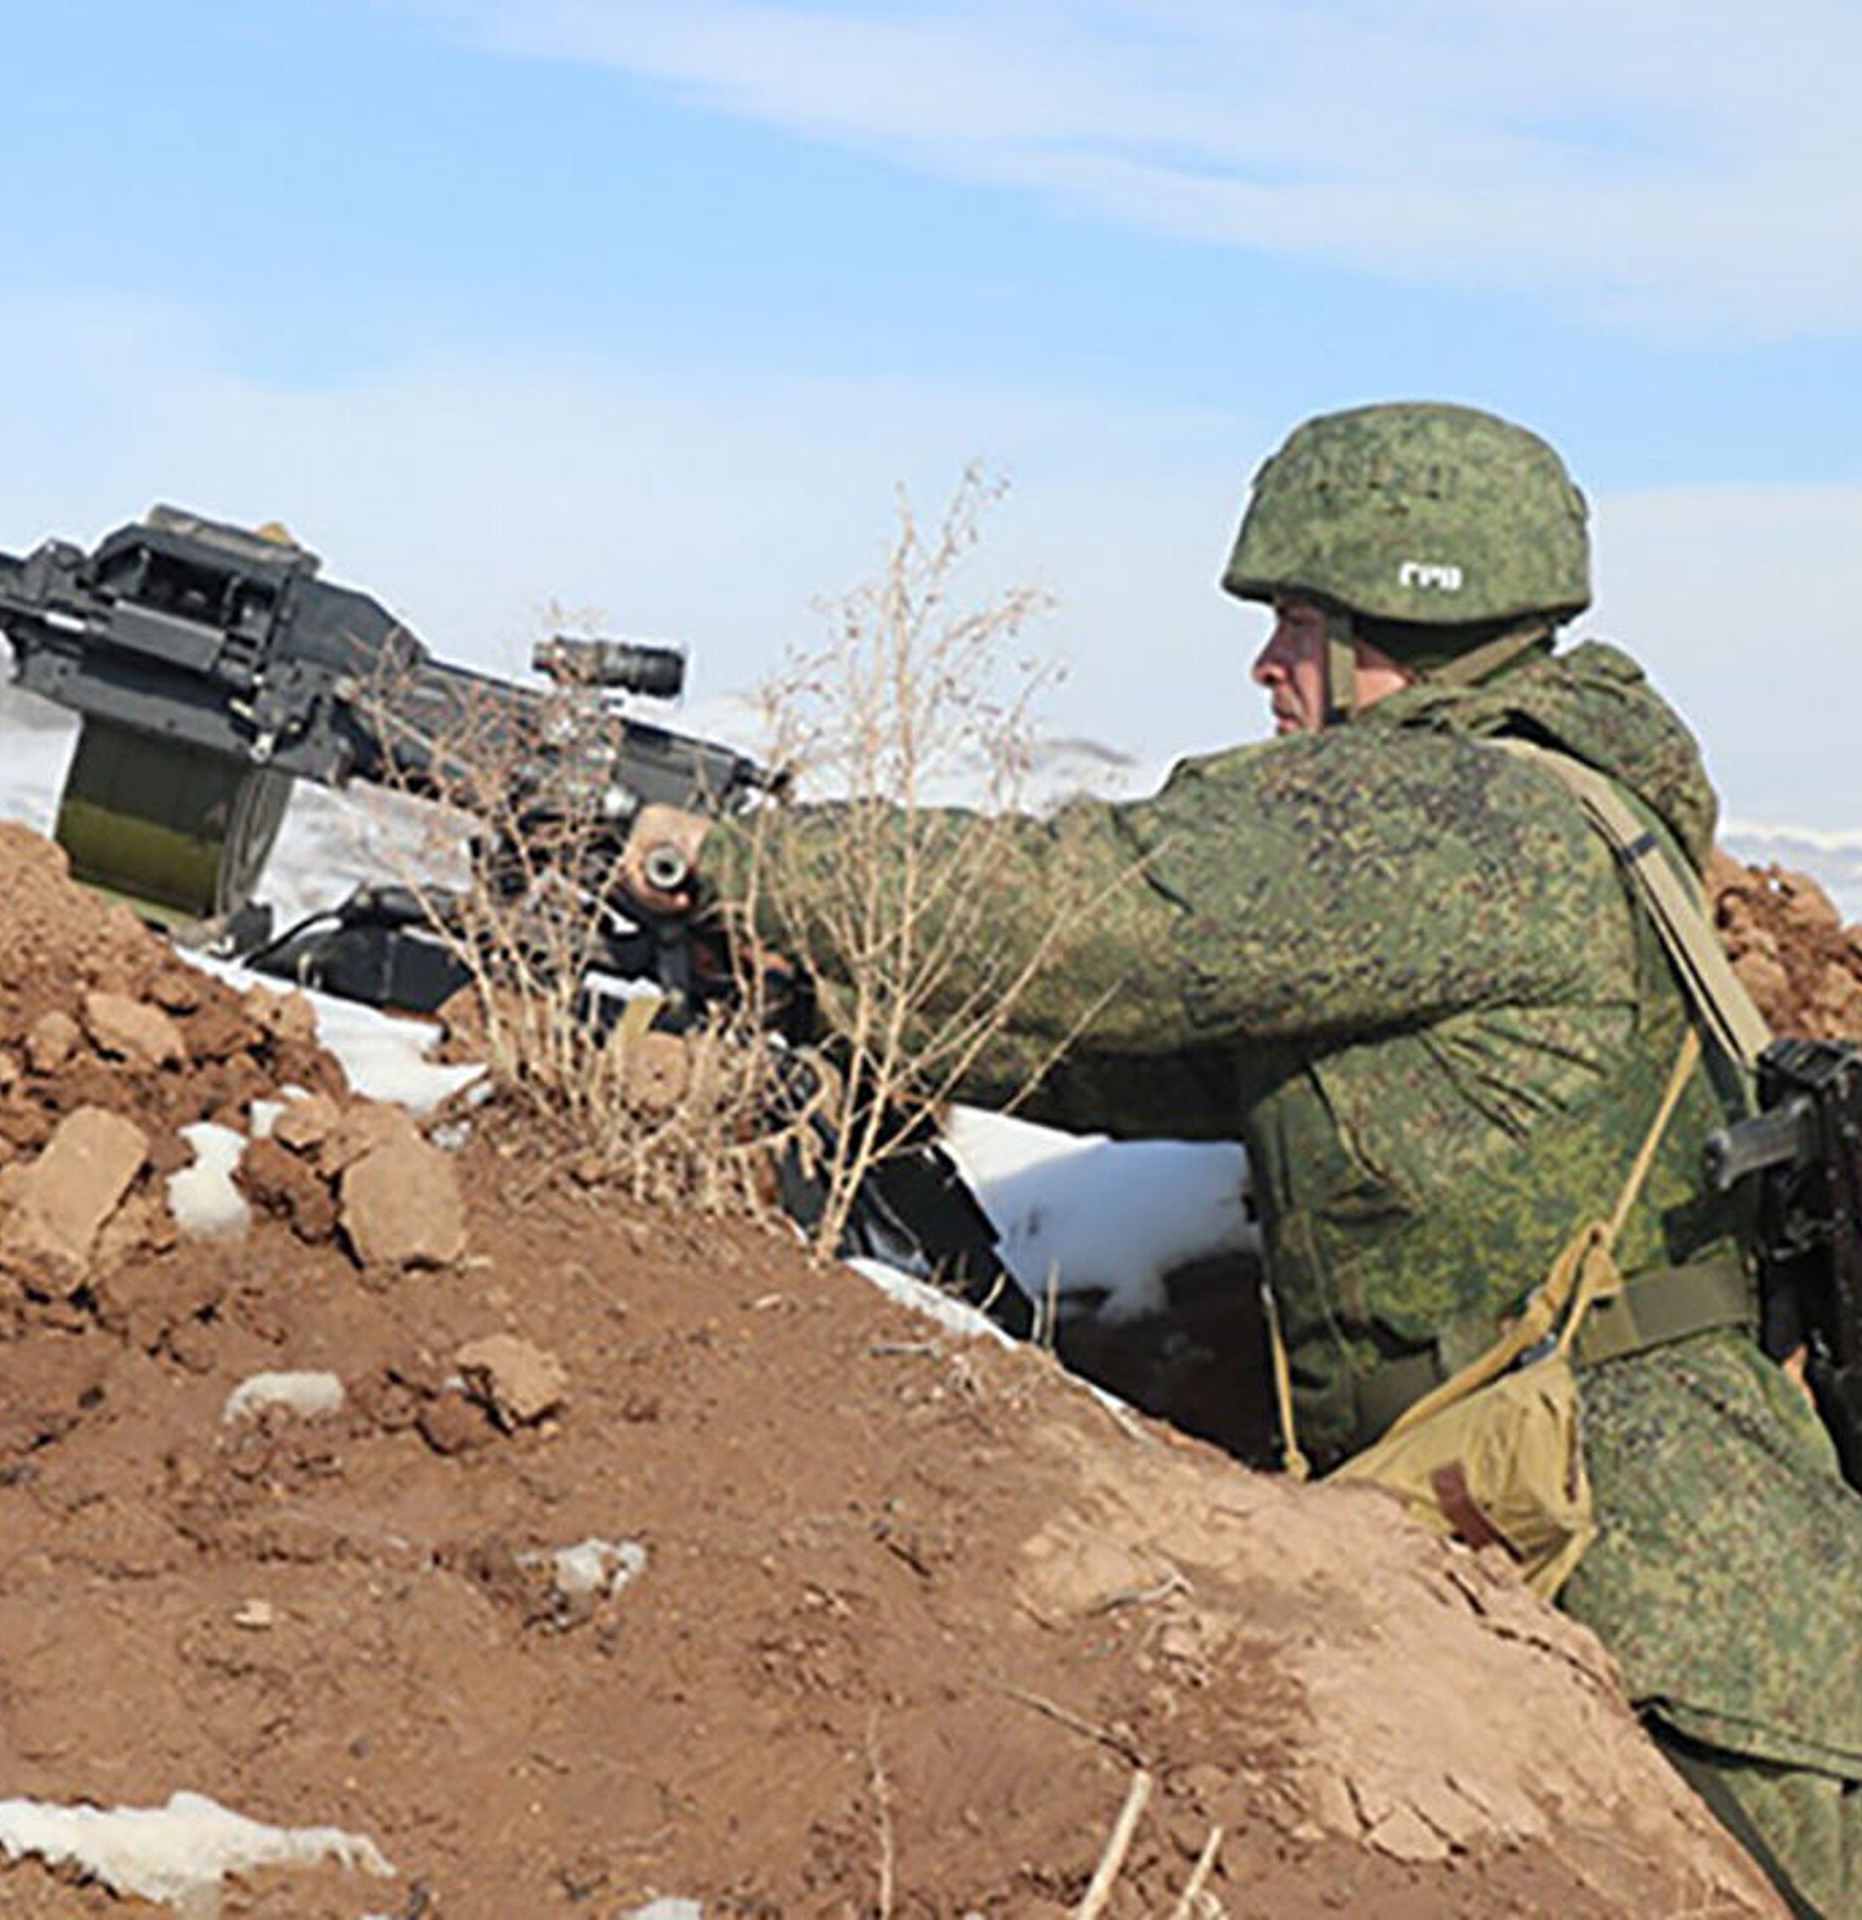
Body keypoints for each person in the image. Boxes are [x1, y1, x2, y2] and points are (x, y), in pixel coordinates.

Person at [627, 402, 1862, 1914]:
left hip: (1658, 1589)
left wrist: (729, 856)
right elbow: (1156, 1060)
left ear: (1401, 619)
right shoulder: (1520, 817)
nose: (1266, 669)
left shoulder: (1452, 820)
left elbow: (1104, 909)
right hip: (1577, 1518)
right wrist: (828, 989)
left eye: (1293, 624)